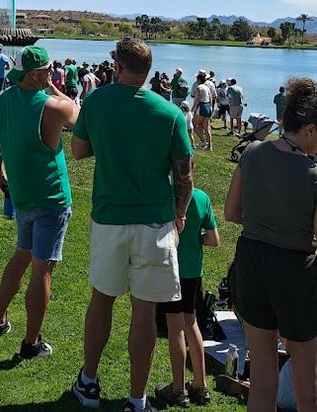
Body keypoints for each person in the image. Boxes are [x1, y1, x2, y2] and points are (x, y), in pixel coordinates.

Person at [71, 37, 193, 412]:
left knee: (101, 299)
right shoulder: (170, 113)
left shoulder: (96, 101)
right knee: (144, 312)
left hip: (110, 218)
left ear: (117, 67)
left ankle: (88, 381)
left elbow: (78, 151)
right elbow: (185, 176)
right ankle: (137, 400)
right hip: (155, 223)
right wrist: (180, 213)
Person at [224, 77, 317, 412]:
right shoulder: (313, 172)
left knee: (263, 381)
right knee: (308, 389)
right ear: (310, 130)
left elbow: (232, 212)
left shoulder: (252, 153)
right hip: (295, 272)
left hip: (251, 263)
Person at [0, 46, 79, 360]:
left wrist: (0, 179)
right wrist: (54, 89)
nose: (52, 73)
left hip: (22, 195)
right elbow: (77, 116)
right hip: (51, 197)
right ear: (36, 74)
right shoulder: (51, 106)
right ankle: (31, 342)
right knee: (42, 269)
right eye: (48, 70)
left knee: (21, 255)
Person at [155, 177, 220, 408]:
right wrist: (195, 238)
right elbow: (213, 239)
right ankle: (200, 386)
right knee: (191, 323)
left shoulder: (165, 194)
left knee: (175, 328)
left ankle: (178, 389)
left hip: (172, 268)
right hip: (194, 272)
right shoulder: (202, 198)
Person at [191, 72, 213, 151]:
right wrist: (211, 107)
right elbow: (210, 98)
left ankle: (203, 141)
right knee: (206, 127)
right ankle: (209, 145)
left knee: (193, 124)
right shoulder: (207, 87)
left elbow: (197, 99)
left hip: (202, 106)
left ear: (199, 80)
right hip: (208, 106)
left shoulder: (199, 87)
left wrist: (192, 110)